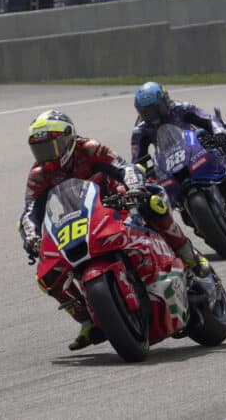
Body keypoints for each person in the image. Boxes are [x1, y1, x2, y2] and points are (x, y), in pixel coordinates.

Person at [19, 110, 212, 351]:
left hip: (115, 202)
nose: (45, 155)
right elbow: (29, 212)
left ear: (68, 139)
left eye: (51, 146)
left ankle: (187, 254)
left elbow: (123, 167)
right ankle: (87, 320)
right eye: (39, 149)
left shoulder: (89, 148)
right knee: (46, 274)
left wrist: (133, 189)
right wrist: (31, 236)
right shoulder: (39, 174)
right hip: (76, 222)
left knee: (153, 203)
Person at [131, 81, 226, 196]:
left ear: (166, 101)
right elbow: (137, 161)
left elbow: (208, 119)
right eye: (147, 113)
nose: (154, 116)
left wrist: (219, 132)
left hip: (197, 147)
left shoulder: (181, 108)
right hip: (169, 163)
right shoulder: (140, 130)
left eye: (157, 109)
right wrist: (140, 178)